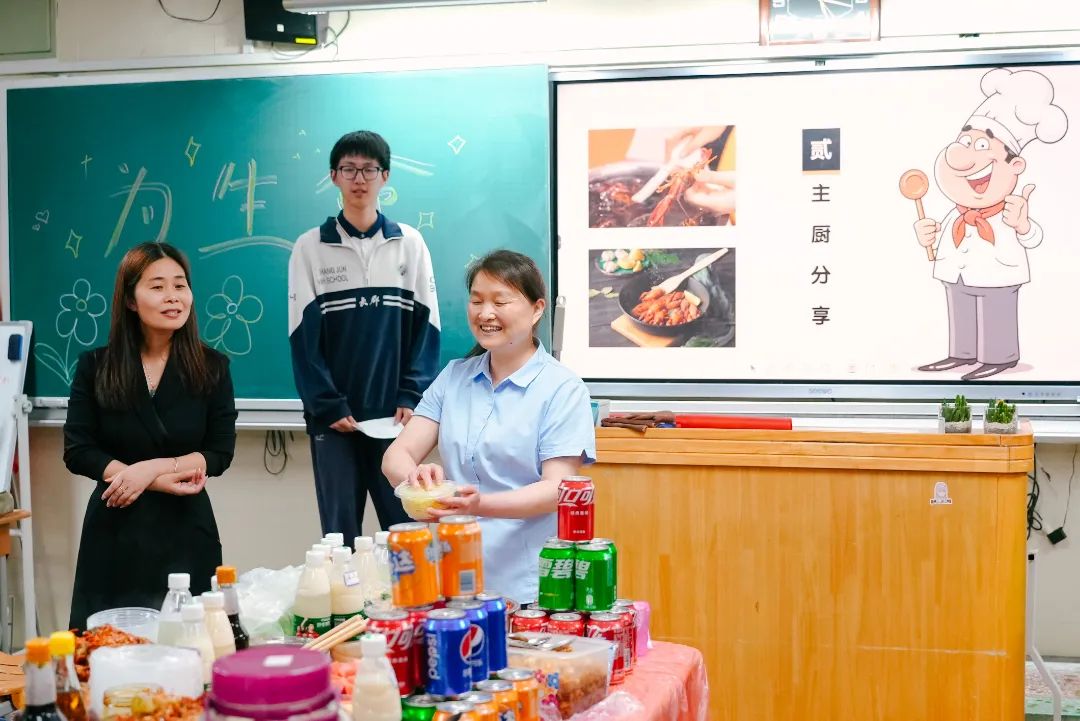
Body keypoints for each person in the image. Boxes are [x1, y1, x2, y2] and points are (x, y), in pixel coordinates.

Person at [382, 250, 596, 603]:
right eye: (477, 300)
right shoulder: (454, 377)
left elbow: (557, 489)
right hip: (451, 576)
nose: (485, 313)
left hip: (527, 586)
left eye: (500, 301)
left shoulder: (562, 388)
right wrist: (417, 480)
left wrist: (479, 505)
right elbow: (396, 456)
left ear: (537, 309)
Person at [63, 242, 237, 629]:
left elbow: (219, 453)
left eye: (180, 285)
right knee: (107, 646)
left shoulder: (213, 367)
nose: (173, 296)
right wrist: (145, 479)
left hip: (187, 528)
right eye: (157, 286)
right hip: (115, 526)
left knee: (190, 644)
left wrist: (151, 469)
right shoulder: (96, 366)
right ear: (130, 299)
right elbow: (78, 449)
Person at [289, 130, 440, 540]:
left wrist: (411, 396)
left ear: (384, 176)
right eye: (349, 169)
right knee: (339, 539)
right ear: (333, 176)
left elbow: (427, 329)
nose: (359, 179)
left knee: (406, 533)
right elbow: (302, 338)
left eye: (369, 169)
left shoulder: (409, 243)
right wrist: (327, 404)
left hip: (395, 419)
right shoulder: (309, 247)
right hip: (335, 422)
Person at [912, 68, 1067, 380]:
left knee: (995, 312)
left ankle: (1000, 356)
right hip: (956, 273)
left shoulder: (1008, 210)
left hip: (999, 273)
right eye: (964, 141)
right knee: (960, 310)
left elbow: (1032, 237)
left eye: (981, 145)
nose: (961, 155)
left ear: (1015, 165)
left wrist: (1023, 225)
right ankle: (961, 353)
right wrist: (927, 235)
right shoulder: (956, 213)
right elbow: (942, 236)